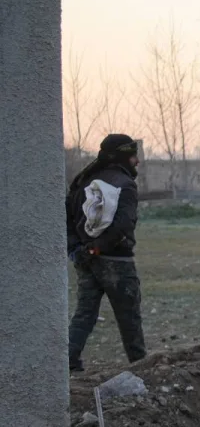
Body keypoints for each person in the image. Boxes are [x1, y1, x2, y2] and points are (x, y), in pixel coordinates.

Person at [66, 133, 146, 372]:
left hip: (85, 261)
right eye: (133, 156)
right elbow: (123, 227)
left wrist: (79, 250)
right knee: (129, 318)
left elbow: (67, 219)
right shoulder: (125, 184)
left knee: (84, 314)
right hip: (117, 262)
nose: (137, 162)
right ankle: (142, 367)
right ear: (123, 157)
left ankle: (69, 360)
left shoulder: (83, 181)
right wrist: (98, 248)